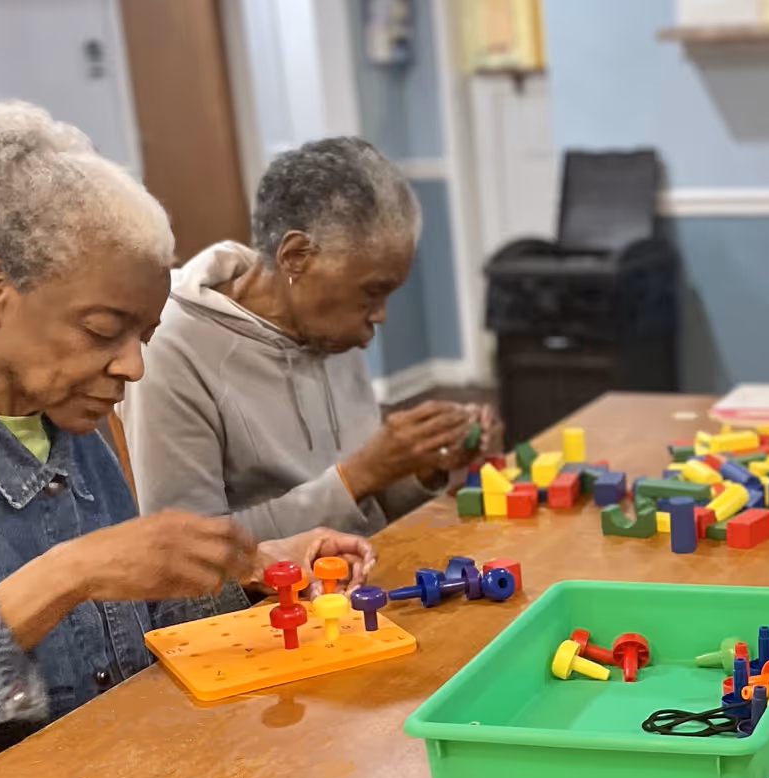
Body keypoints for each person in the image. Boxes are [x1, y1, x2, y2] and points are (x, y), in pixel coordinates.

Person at [0, 102, 372, 778]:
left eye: (145, 334)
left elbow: (114, 633)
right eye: (103, 330)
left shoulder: (64, 418)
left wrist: (247, 567)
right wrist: (64, 576)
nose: (132, 365)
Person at [124, 137, 494, 540]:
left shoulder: (325, 326)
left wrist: (419, 464)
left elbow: (363, 508)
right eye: (371, 293)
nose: (380, 316)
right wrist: (359, 475)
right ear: (296, 256)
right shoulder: (170, 347)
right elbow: (184, 552)